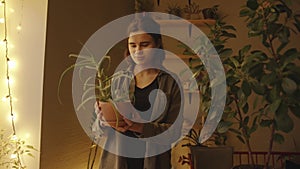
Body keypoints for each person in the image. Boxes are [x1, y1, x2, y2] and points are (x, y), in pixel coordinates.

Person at [93, 13, 183, 169]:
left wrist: (140, 127)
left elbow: (174, 132)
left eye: (145, 44)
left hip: (154, 162)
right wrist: (102, 120)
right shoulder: (119, 79)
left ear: (158, 44)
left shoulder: (171, 83)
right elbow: (97, 129)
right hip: (117, 162)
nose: (137, 51)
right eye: (132, 45)